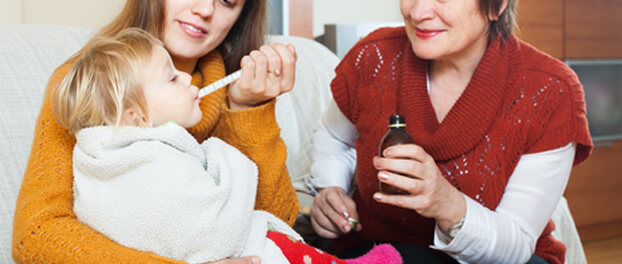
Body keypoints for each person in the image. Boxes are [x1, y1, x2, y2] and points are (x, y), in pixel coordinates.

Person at [307, 0, 593, 264]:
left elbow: (516, 243)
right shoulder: (374, 57)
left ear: (496, 2)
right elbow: (332, 136)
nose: (417, 11)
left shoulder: (550, 90)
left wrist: (446, 203)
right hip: (384, 252)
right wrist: (330, 189)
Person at [13, 0, 297, 264]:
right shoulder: (91, 85)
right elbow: (37, 234)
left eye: (227, 1)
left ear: (240, 17)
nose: (205, 9)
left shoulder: (237, 91)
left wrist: (249, 112)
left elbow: (278, 229)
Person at [51, 28, 402, 264]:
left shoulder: (130, 145)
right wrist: (221, 155)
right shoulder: (142, 161)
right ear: (135, 117)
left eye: (228, 0)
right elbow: (213, 226)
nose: (186, 79)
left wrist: (248, 110)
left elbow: (275, 211)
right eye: (172, 78)